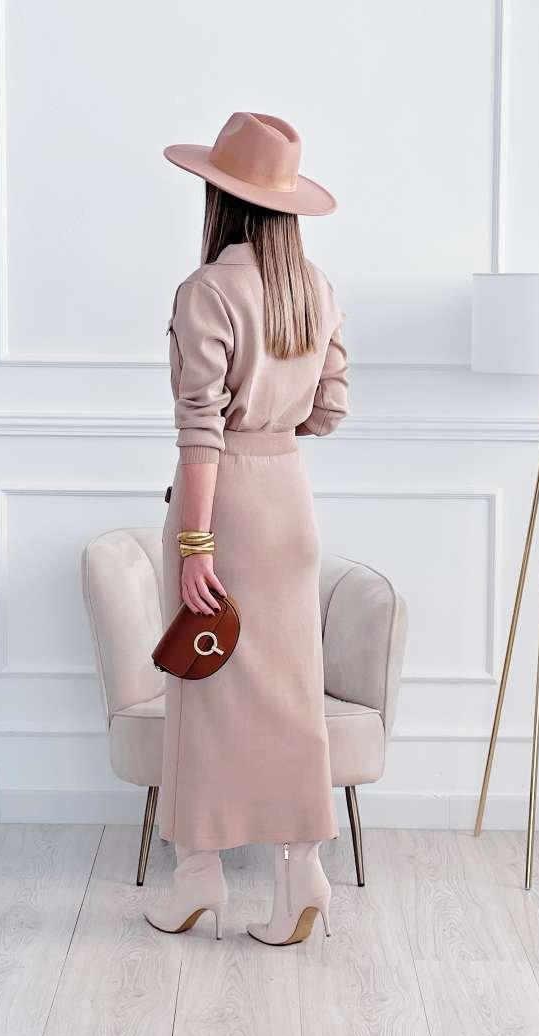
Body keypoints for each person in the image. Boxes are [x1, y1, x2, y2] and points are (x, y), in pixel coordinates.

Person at [144, 112, 349, 946]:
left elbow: (200, 429)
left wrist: (195, 544)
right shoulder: (316, 289)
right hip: (289, 506)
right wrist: (275, 418)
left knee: (202, 691)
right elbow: (329, 410)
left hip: (223, 509)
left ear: (220, 198)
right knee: (293, 694)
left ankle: (198, 874)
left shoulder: (207, 290)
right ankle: (302, 870)